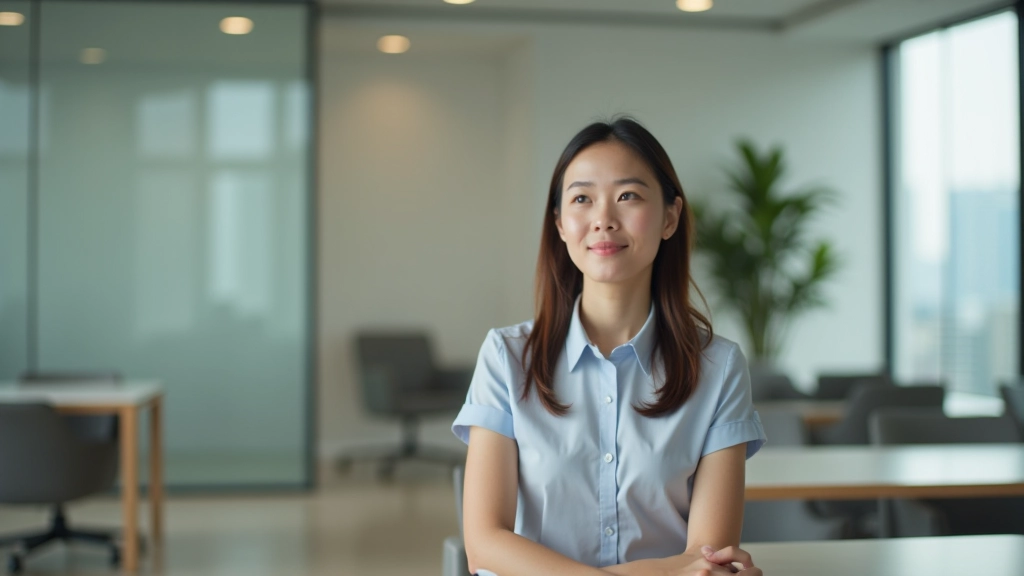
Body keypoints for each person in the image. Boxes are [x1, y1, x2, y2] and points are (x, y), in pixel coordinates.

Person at [452, 117, 767, 576]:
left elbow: (708, 558)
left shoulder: (718, 368)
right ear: (560, 223)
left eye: (628, 196)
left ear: (670, 218)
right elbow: (485, 545)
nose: (603, 219)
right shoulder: (506, 358)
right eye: (582, 199)